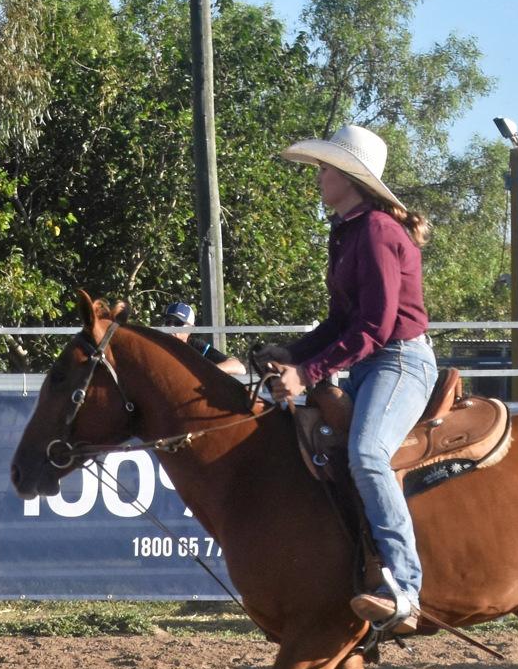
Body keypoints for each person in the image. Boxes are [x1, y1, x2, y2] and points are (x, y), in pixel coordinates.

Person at [258, 124, 435, 633]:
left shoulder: (377, 230)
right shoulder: (351, 230)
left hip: (401, 361)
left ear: (350, 177)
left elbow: (376, 328)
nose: (319, 177)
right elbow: (341, 322)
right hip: (373, 361)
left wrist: (308, 371)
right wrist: (291, 353)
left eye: (325, 169)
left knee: (365, 453)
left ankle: (404, 586)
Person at [156, 302, 249, 380]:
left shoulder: (197, 346)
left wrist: (206, 372)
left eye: (178, 323)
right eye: (168, 322)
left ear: (191, 329)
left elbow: (239, 368)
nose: (171, 327)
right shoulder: (156, 344)